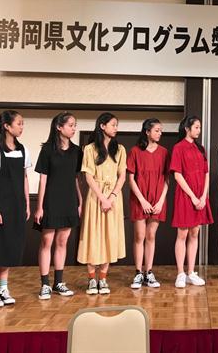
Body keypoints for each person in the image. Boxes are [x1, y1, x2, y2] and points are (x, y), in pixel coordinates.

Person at [0, 110, 31, 307]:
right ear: (7, 126)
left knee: (9, 248)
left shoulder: (23, 150)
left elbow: (24, 178)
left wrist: (27, 204)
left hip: (16, 206)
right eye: (19, 123)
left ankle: (4, 289)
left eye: (22, 123)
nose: (22, 127)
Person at [34, 112, 83, 300]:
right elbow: (43, 180)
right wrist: (39, 207)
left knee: (62, 242)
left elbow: (76, 178)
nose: (73, 128)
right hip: (50, 201)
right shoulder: (47, 150)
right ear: (59, 127)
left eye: (74, 125)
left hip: (69, 200)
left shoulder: (77, 151)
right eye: (70, 125)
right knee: (47, 242)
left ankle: (59, 282)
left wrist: (80, 200)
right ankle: (45, 284)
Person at [77, 112, 127, 295]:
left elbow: (122, 176)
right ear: (102, 126)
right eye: (113, 124)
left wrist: (111, 197)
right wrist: (102, 198)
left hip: (113, 197)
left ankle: (103, 278)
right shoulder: (89, 149)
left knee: (109, 236)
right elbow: (88, 177)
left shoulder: (120, 149)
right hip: (95, 197)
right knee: (93, 235)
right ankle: (92, 279)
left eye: (116, 125)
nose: (116, 128)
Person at [170, 115, 213, 288]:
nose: (199, 130)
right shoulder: (178, 147)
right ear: (187, 129)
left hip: (200, 196)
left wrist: (203, 196)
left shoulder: (200, 149)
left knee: (195, 233)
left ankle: (191, 272)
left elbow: (206, 173)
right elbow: (177, 174)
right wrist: (193, 196)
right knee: (182, 234)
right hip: (185, 196)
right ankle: (180, 273)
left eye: (199, 127)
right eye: (196, 127)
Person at [127, 118, 170, 289]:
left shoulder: (164, 152)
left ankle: (149, 272)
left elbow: (167, 180)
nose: (160, 133)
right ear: (147, 131)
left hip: (157, 200)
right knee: (139, 236)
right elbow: (131, 179)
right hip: (140, 200)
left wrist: (161, 201)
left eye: (161, 130)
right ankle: (138, 272)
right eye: (157, 130)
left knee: (151, 236)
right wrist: (142, 200)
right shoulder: (135, 151)